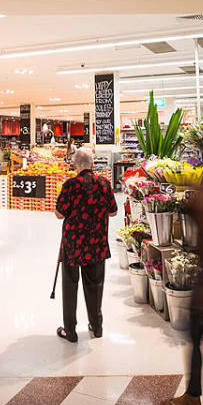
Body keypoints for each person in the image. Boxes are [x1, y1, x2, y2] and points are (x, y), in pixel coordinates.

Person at [161, 131, 203, 405]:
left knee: (196, 338)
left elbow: (199, 213)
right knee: (196, 338)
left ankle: (193, 397)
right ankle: (192, 393)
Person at [54, 147, 117, 342]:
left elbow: (59, 214)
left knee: (70, 286)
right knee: (95, 285)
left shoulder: (70, 185)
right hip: (97, 244)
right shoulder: (104, 183)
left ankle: (70, 331)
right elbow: (113, 211)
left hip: (73, 245)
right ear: (92, 164)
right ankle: (96, 327)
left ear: (75, 165)